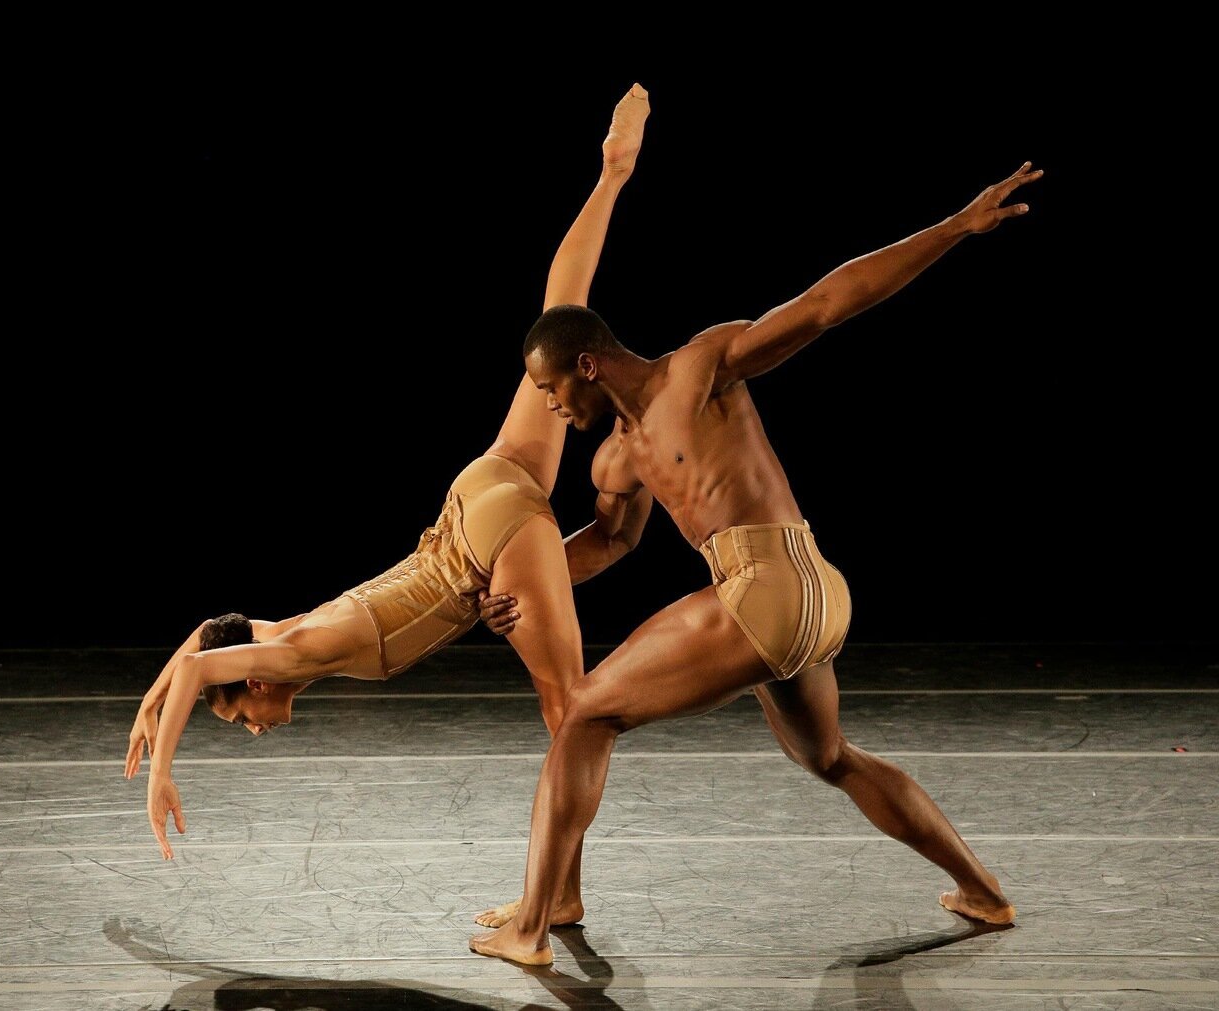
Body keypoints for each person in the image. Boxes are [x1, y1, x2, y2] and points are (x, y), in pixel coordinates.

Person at [469, 159, 1044, 965]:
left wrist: (954, 227)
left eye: (551, 388)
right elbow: (608, 542)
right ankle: (985, 891)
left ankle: (534, 924)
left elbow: (826, 303)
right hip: (809, 598)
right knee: (830, 756)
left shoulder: (699, 369)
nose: (551, 405)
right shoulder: (617, 460)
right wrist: (517, 586)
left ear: (587, 363)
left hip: (770, 584)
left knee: (585, 713)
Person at [125, 87, 654, 940]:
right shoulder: (282, 633)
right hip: (478, 493)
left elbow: (201, 665)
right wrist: (151, 703)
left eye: (241, 718)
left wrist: (162, 767)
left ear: (255, 683)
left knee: (571, 712)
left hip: (486, 537)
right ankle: (613, 173)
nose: (254, 729)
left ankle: (555, 900)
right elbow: (207, 637)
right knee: (555, 319)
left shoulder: (297, 648)